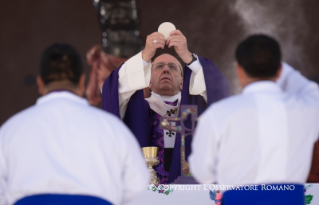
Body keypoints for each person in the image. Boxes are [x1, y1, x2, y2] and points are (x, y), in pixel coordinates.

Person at [0, 44, 149, 205]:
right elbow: (137, 186)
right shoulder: (111, 128)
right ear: (81, 82)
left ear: (40, 83)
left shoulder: (11, 130)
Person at [189, 35, 319, 204]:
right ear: (280, 70)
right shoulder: (306, 109)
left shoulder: (218, 114)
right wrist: (272, 62)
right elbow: (311, 90)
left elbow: (202, 172)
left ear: (239, 71)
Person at [102, 29, 230, 184]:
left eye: (173, 67)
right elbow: (112, 90)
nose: (166, 69)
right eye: (159, 66)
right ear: (148, 81)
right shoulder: (132, 108)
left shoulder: (196, 107)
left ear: (182, 82)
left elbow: (219, 89)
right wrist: (145, 56)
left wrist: (188, 58)